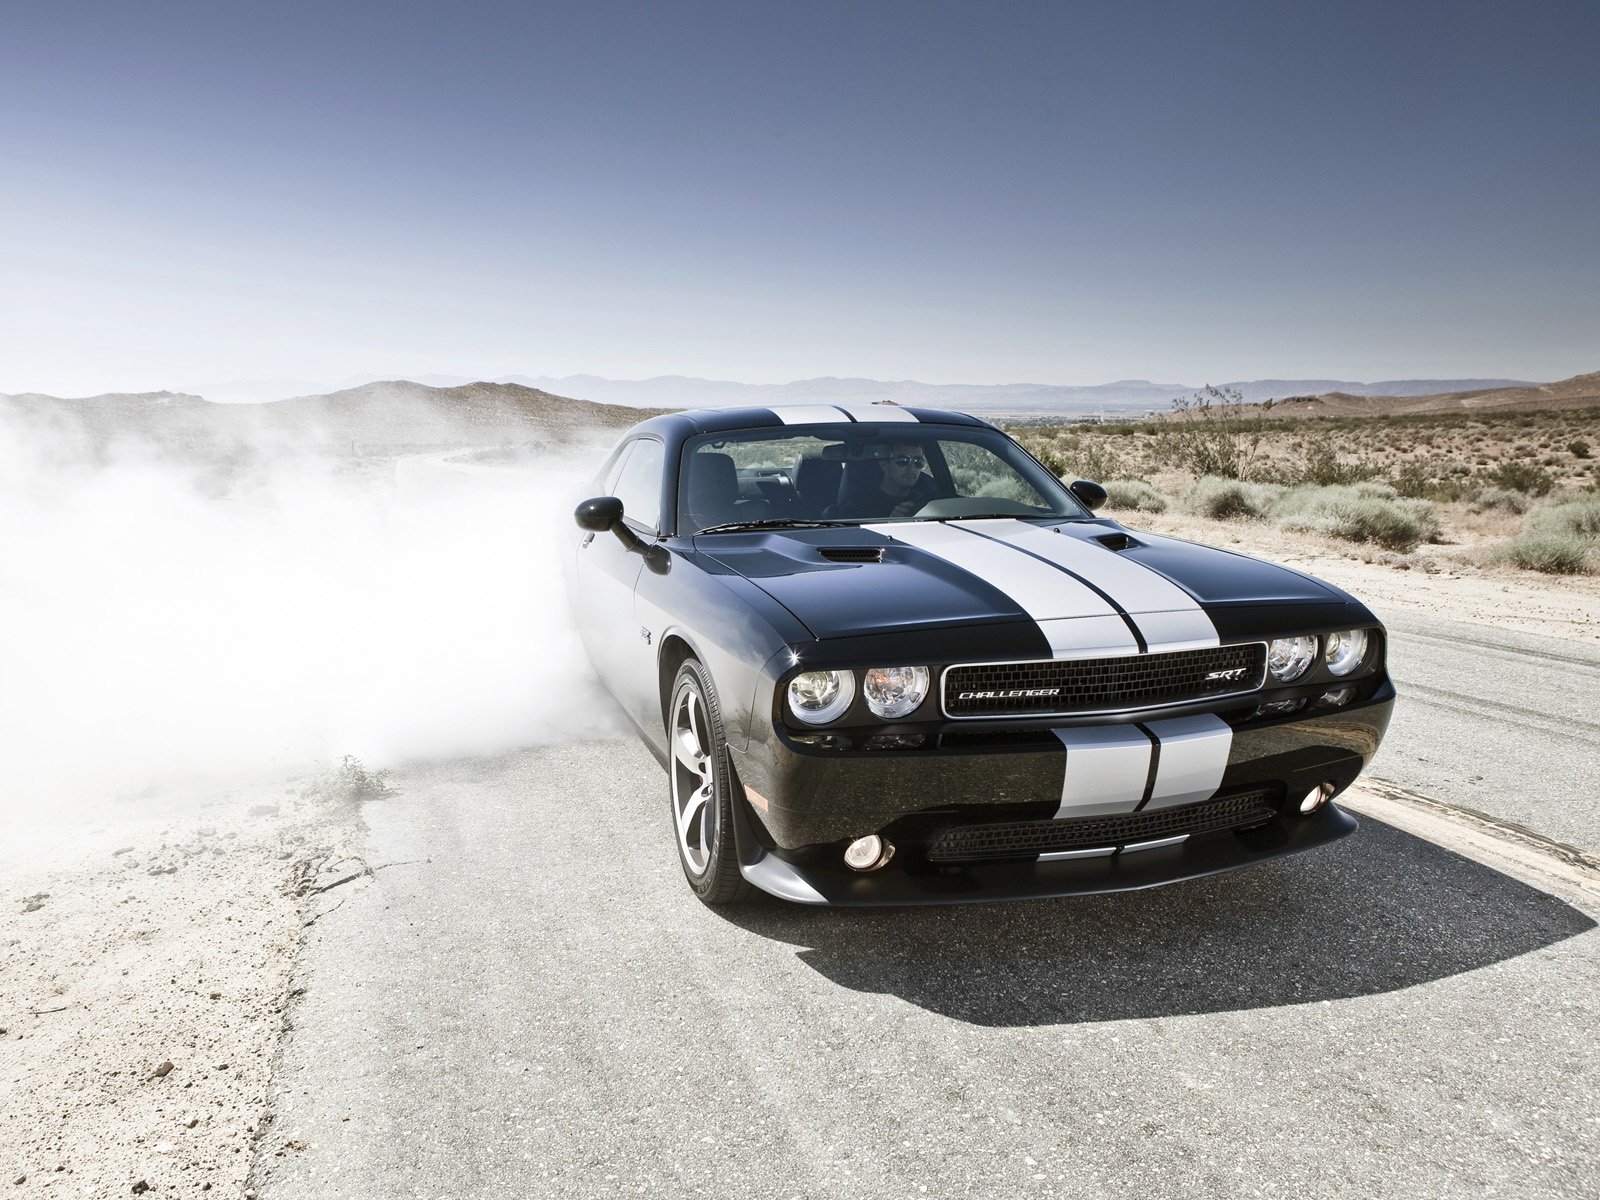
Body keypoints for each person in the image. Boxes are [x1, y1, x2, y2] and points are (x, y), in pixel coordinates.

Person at [827, 440, 940, 519]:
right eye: (903, 460)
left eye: (918, 462)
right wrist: (889, 522)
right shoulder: (858, 506)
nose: (911, 467)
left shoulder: (929, 503)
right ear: (884, 464)